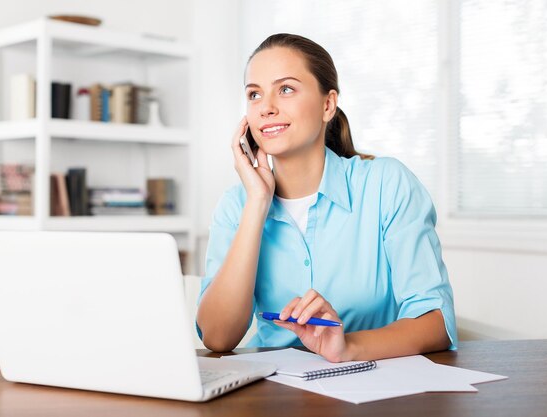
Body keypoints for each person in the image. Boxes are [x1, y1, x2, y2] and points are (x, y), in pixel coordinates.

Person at [196, 33, 457, 362]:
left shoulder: (387, 184)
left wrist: (347, 347)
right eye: (254, 94)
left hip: (376, 389)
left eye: (286, 89)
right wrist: (257, 203)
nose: (266, 108)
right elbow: (218, 338)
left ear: (327, 104)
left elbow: (436, 323)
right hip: (273, 398)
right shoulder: (237, 205)